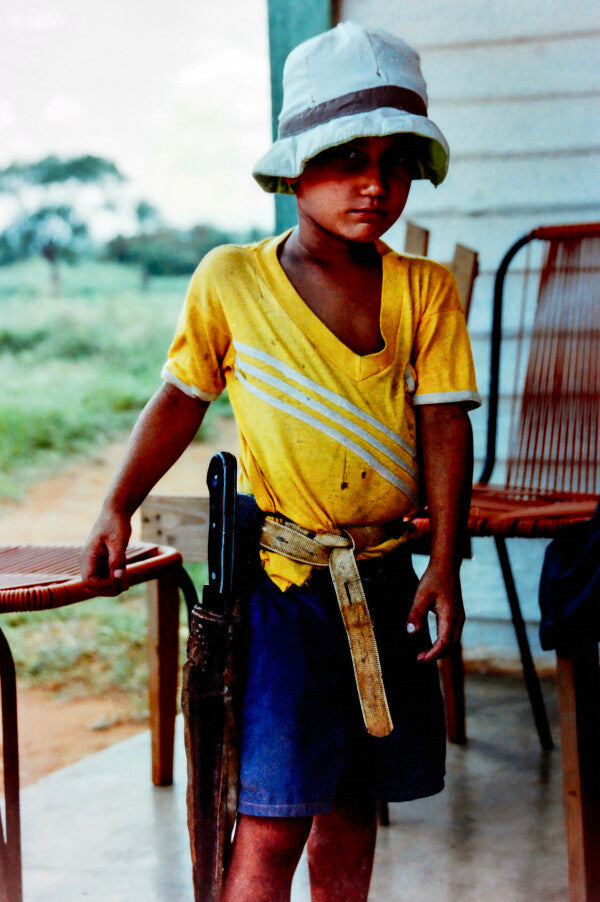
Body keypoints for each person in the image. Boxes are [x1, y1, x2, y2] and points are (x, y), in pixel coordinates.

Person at [81, 21, 480, 902]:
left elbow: (446, 425)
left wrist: (445, 560)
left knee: (352, 805)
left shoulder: (424, 291)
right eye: (346, 158)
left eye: (395, 160)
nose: (374, 183)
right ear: (294, 167)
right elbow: (181, 399)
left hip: (384, 584)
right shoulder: (231, 281)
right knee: (270, 816)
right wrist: (117, 502)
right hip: (284, 590)